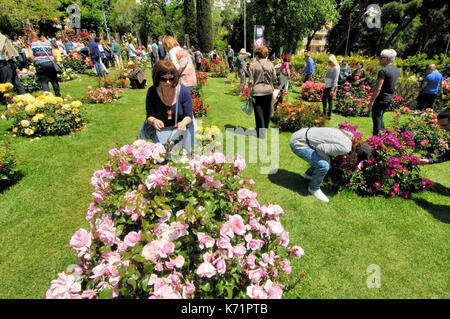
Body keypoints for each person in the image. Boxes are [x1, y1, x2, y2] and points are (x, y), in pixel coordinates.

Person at [290, 127, 372, 202]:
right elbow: (320, 148)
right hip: (299, 143)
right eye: (357, 158)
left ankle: (308, 175)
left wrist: (357, 164)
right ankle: (313, 189)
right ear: (356, 154)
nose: (355, 160)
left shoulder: (349, 136)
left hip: (302, 133)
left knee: (322, 159)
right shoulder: (345, 148)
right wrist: (328, 160)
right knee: (324, 165)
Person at [143, 60, 194, 151]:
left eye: (171, 78)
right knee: (162, 156)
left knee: (186, 154)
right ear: (157, 78)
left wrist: (183, 123)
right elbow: (149, 115)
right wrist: (154, 121)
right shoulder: (152, 92)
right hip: (161, 131)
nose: (168, 82)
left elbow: (188, 115)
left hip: (180, 129)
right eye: (163, 79)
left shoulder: (183, 91)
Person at [367, 49, 400, 136]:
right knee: (380, 117)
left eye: (382, 58)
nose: (380, 60)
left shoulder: (383, 71)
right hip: (389, 97)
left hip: (381, 97)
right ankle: (384, 136)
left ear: (388, 59)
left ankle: (376, 139)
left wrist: (371, 101)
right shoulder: (396, 70)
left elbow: (378, 88)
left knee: (377, 118)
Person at [248, 45, 277, 139]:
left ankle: (260, 132)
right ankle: (264, 128)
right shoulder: (270, 64)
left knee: (258, 111)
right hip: (268, 90)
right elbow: (274, 78)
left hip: (257, 91)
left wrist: (249, 92)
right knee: (267, 110)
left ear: (257, 55)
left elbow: (251, 81)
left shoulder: (254, 65)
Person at [27, 32, 60, 96]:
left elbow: (30, 56)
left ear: (34, 37)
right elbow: (55, 55)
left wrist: (35, 61)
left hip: (40, 64)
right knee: (54, 80)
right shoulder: (48, 44)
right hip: (51, 63)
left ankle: (48, 97)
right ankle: (58, 94)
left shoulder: (32, 45)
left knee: (44, 82)